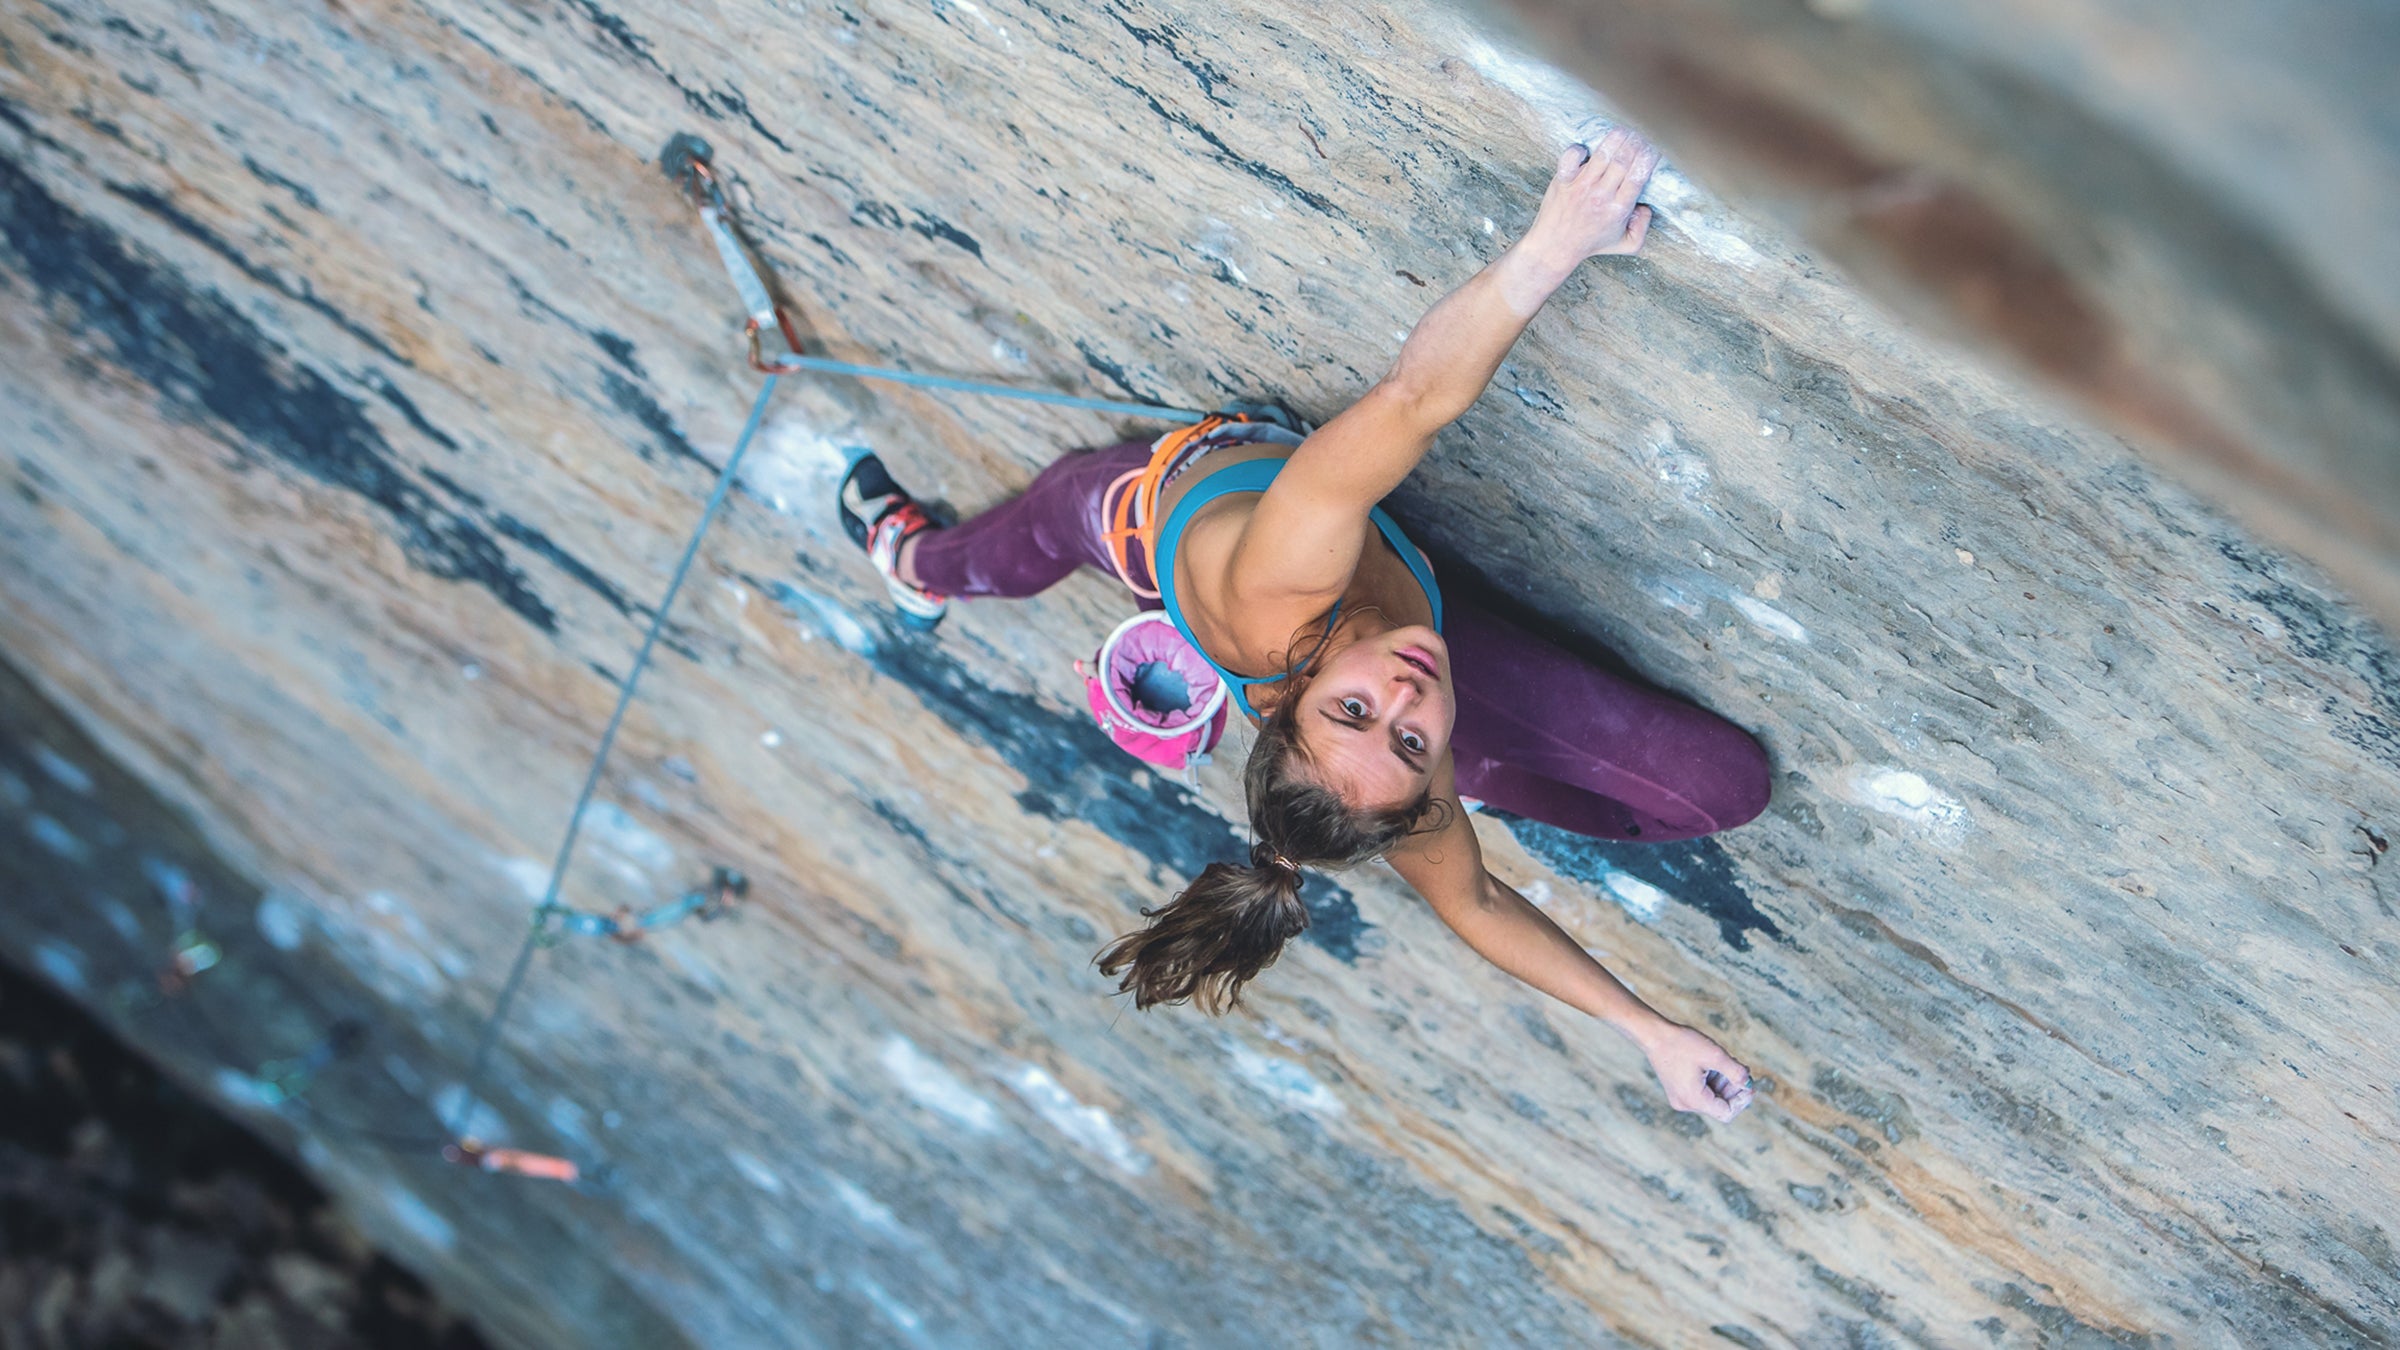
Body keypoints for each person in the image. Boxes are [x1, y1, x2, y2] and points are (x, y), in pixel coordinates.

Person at [837, 127, 1766, 1124]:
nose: (1405, 695)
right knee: (1726, 790)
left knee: (1027, 535)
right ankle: (915, 566)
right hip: (1395, 614)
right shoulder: (1389, 767)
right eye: (1411, 743)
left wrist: (1554, 243)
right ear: (1418, 791)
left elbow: (1415, 400)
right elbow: (1476, 902)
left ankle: (914, 561)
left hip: (1154, 512)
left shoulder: (1292, 584)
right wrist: (1653, 1035)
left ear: (1286, 699)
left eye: (1354, 709)